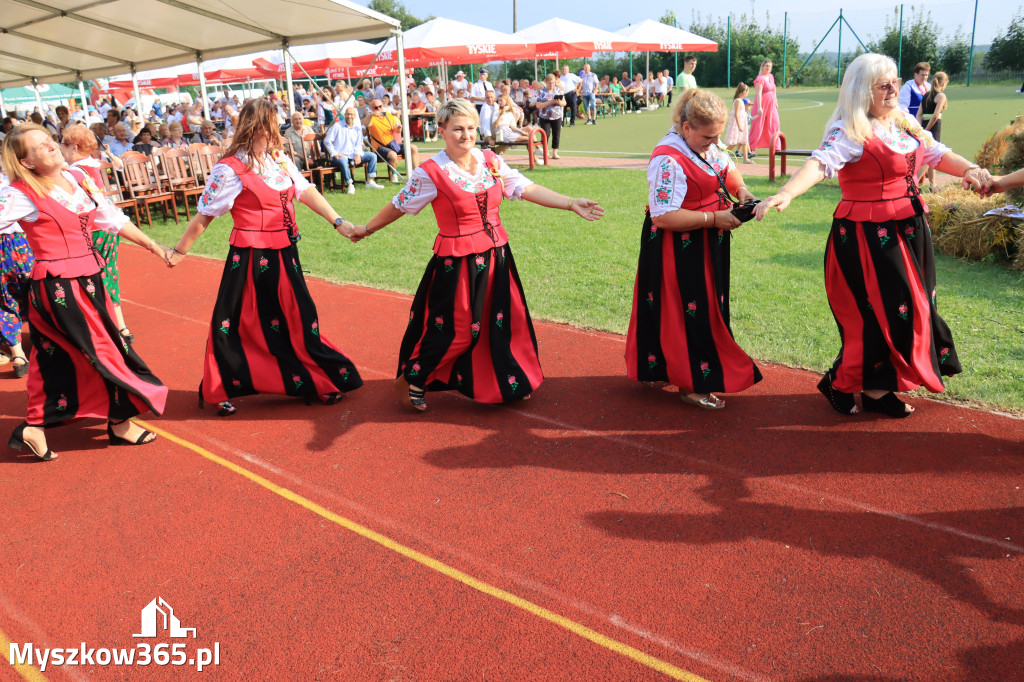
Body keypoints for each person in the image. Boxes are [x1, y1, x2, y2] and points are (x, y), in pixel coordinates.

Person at [754, 53, 990, 418]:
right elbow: (820, 163)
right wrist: (786, 192)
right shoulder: (850, 129)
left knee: (912, 308)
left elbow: (936, 153)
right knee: (885, 312)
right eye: (884, 84)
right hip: (868, 234)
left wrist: (971, 169)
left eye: (895, 81)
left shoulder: (904, 122)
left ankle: (875, 389)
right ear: (863, 90)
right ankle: (846, 381)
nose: (893, 88)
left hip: (909, 226)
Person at [351, 98, 603, 412]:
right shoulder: (430, 172)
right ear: (441, 130)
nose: (465, 135)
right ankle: (412, 378)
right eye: (457, 129)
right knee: (455, 328)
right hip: (456, 261)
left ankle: (506, 379)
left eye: (470, 128)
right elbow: (400, 205)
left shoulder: (490, 160)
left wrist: (570, 202)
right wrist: (366, 228)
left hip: (497, 255)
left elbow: (525, 187)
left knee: (503, 321)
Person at [166, 99, 364, 415]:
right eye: (273, 125)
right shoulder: (229, 169)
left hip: (286, 252)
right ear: (258, 127)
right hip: (249, 257)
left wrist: (338, 222)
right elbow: (205, 215)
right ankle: (219, 389)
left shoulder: (278, 159)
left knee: (299, 316)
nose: (279, 132)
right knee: (233, 322)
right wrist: (178, 251)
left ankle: (311, 378)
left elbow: (305, 190)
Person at [0, 124, 170, 460]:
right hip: (59, 286)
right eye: (39, 146)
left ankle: (35, 426)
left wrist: (155, 247)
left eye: (49, 140)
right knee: (104, 351)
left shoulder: (78, 180)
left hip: (90, 279)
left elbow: (112, 219)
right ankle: (120, 423)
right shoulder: (20, 193)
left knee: (57, 356)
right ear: (27, 162)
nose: (50, 145)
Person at [625, 89, 762, 410]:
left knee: (697, 308)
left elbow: (726, 169)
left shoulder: (705, 144)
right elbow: (663, 215)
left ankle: (661, 368)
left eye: (717, 136)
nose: (714, 143)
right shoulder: (667, 159)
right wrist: (714, 217)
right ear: (686, 127)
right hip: (679, 247)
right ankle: (692, 384)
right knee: (688, 312)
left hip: (705, 239)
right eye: (708, 137)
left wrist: (742, 191)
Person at [60, 124, 138, 345]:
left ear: (73, 146)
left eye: (62, 143)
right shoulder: (91, 165)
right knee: (110, 275)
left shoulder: (74, 172)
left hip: (91, 231)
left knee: (91, 280)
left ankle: (104, 328)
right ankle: (121, 326)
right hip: (107, 228)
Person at [0, 169, 33, 378]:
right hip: (19, 242)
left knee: (5, 299)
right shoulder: (14, 182)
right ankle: (47, 346)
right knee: (35, 291)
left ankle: (18, 354)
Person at [324, 107, 385, 194]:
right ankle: (350, 184)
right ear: (344, 115)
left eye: (351, 114)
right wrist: (335, 153)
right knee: (343, 162)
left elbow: (358, 144)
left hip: (352, 155)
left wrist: (357, 154)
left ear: (355, 116)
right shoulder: (337, 126)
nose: (349, 116)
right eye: (348, 114)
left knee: (372, 156)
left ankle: (370, 181)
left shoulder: (357, 128)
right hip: (340, 156)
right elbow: (327, 140)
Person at [363, 98, 419, 182]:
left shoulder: (388, 116)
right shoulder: (372, 118)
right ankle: (394, 176)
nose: (379, 109)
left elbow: (397, 130)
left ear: (383, 106)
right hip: (379, 147)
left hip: (392, 144)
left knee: (413, 148)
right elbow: (365, 124)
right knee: (393, 155)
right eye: (375, 108)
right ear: (372, 109)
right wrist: (371, 115)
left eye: (380, 106)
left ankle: (417, 174)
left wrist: (399, 128)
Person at [916, 71, 949, 191]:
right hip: (933, 127)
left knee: (930, 153)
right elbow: (935, 116)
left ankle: (932, 184)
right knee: (930, 155)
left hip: (924, 126)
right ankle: (914, 184)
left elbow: (919, 115)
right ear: (944, 83)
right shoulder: (941, 96)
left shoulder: (926, 95)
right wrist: (927, 131)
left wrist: (920, 130)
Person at [748, 59, 780, 157]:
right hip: (762, 104)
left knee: (775, 123)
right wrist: (759, 107)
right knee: (758, 125)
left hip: (771, 104)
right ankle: (751, 148)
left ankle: (776, 146)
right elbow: (759, 94)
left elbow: (774, 90)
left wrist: (776, 102)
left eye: (770, 66)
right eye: (766, 66)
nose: (768, 68)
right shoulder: (760, 78)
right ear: (762, 66)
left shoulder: (771, 77)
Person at [534, 73, 566, 160]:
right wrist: (549, 102)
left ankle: (555, 152)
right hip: (545, 116)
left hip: (556, 115)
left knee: (556, 134)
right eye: (549, 83)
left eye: (553, 82)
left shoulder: (558, 90)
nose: (551, 84)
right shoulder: (541, 92)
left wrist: (559, 103)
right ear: (546, 82)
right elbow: (538, 105)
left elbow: (564, 102)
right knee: (546, 134)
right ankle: (545, 151)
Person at [723, 83, 752, 163]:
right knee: (735, 142)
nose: (747, 94)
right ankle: (724, 153)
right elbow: (736, 113)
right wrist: (739, 126)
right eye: (747, 92)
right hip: (738, 124)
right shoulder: (738, 101)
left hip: (743, 123)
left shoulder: (741, 101)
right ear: (743, 92)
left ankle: (745, 159)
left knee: (744, 141)